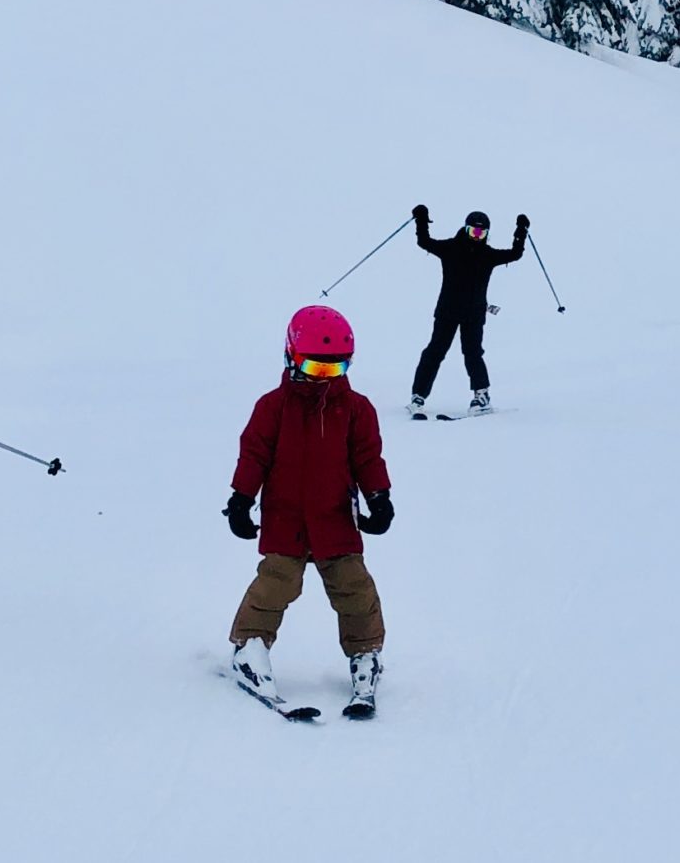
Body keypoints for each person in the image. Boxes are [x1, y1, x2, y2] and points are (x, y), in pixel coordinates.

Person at [226, 305, 393, 717]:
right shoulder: (272, 408)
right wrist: (241, 499)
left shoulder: (356, 408)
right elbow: (253, 456)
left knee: (354, 589)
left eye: (335, 370)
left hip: (335, 518)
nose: (325, 380)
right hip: (286, 518)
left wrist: (379, 497)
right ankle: (250, 648)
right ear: (292, 357)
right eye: (317, 369)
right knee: (275, 586)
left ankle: (365, 655)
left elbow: (368, 458)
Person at [408, 204, 528, 416]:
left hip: (474, 314)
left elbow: (516, 254)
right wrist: (421, 218)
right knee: (435, 351)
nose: (477, 235)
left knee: (473, 353)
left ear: (487, 234)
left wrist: (521, 231)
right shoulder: (451, 248)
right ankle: (418, 396)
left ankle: (481, 396)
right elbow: (424, 241)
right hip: (447, 311)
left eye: (482, 232)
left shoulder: (488, 255)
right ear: (465, 229)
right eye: (473, 230)